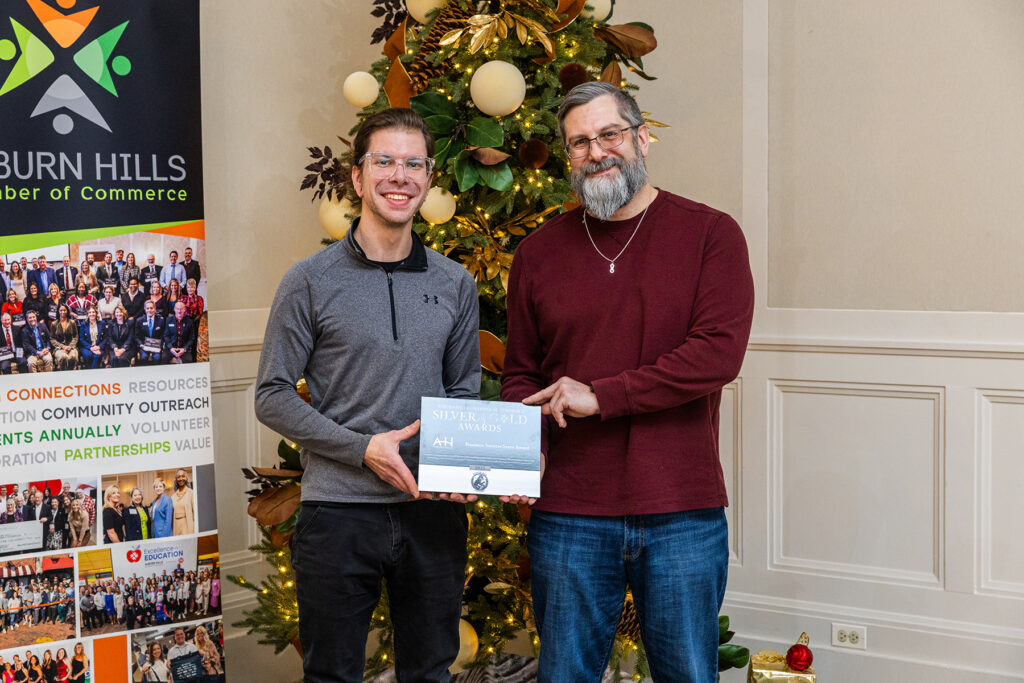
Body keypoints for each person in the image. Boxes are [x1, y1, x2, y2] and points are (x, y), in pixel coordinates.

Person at [500, 82, 755, 683]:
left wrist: (601, 396)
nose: (596, 152)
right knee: (564, 675)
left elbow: (717, 355)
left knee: (688, 674)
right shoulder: (537, 253)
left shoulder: (711, 235)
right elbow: (522, 374)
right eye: (579, 142)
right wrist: (526, 448)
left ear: (642, 138)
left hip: (680, 507)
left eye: (609, 134)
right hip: (569, 509)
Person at [255, 107, 481, 682]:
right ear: (357, 177)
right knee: (331, 675)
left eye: (414, 164)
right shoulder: (309, 280)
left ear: (428, 179)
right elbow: (272, 395)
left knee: (430, 673)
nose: (399, 176)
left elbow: (464, 391)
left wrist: (470, 468)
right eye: (384, 161)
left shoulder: (455, 283)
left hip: (431, 513)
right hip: (337, 514)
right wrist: (363, 451)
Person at [48, 304, 79, 371]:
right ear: (58, 311)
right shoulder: (54, 323)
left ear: (67, 311)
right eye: (61, 310)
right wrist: (62, 346)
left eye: (64, 310)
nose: (63, 312)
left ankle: (71, 374)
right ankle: (63, 374)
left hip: (71, 347)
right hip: (59, 348)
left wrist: (70, 346)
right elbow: (52, 339)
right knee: (63, 357)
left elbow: (75, 336)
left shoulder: (72, 322)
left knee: (73, 357)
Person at [135, 300, 165, 366]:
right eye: (147, 308)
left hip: (156, 347)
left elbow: (163, 335)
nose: (149, 310)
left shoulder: (161, 320)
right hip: (144, 346)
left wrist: (160, 346)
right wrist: (141, 344)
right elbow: (136, 336)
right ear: (145, 309)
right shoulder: (139, 320)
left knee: (157, 358)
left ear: (155, 309)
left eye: (151, 308)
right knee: (144, 357)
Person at [170, 469, 194, 534]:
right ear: (176, 479)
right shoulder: (173, 496)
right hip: (176, 527)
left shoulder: (191, 493)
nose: (181, 479)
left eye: (183, 476)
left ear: (186, 478)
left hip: (187, 526)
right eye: (178, 477)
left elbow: (195, 513)